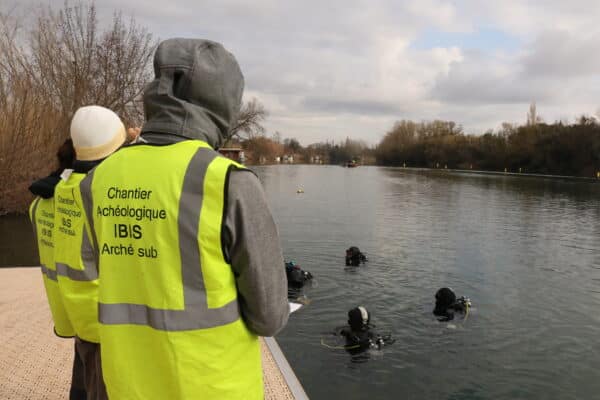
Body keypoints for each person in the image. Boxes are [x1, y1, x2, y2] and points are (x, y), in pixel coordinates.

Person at [79, 38, 289, 400]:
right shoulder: (229, 182)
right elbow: (269, 317)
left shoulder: (99, 179)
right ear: (223, 102)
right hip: (214, 387)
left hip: (128, 385)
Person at [53, 105, 128, 399]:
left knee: (88, 384)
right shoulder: (102, 191)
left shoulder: (65, 188)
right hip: (105, 320)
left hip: (81, 313)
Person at [29, 139, 87, 400]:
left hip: (65, 302)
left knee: (83, 373)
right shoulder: (83, 197)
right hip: (96, 303)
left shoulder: (39, 204)